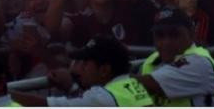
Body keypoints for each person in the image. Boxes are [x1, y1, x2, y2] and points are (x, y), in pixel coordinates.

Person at [10, 36, 152, 107]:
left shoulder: (103, 96)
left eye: (85, 63)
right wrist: (72, 87)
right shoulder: (134, 83)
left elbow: (43, 106)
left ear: (104, 70)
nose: (80, 67)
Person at [133, 7, 214, 106]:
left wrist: (116, 74)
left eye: (174, 35)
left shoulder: (200, 61)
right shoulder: (152, 60)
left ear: (191, 34)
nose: (166, 42)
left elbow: (147, 86)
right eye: (159, 35)